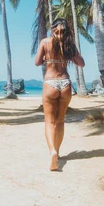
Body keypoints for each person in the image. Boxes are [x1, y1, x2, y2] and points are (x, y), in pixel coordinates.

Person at [35, 18, 85, 171]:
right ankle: (58, 151)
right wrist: (69, 54)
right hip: (65, 83)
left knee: (49, 121)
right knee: (60, 120)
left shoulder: (45, 42)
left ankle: (53, 152)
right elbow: (81, 63)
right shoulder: (69, 45)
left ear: (53, 28)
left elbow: (37, 62)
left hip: (50, 83)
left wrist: (46, 57)